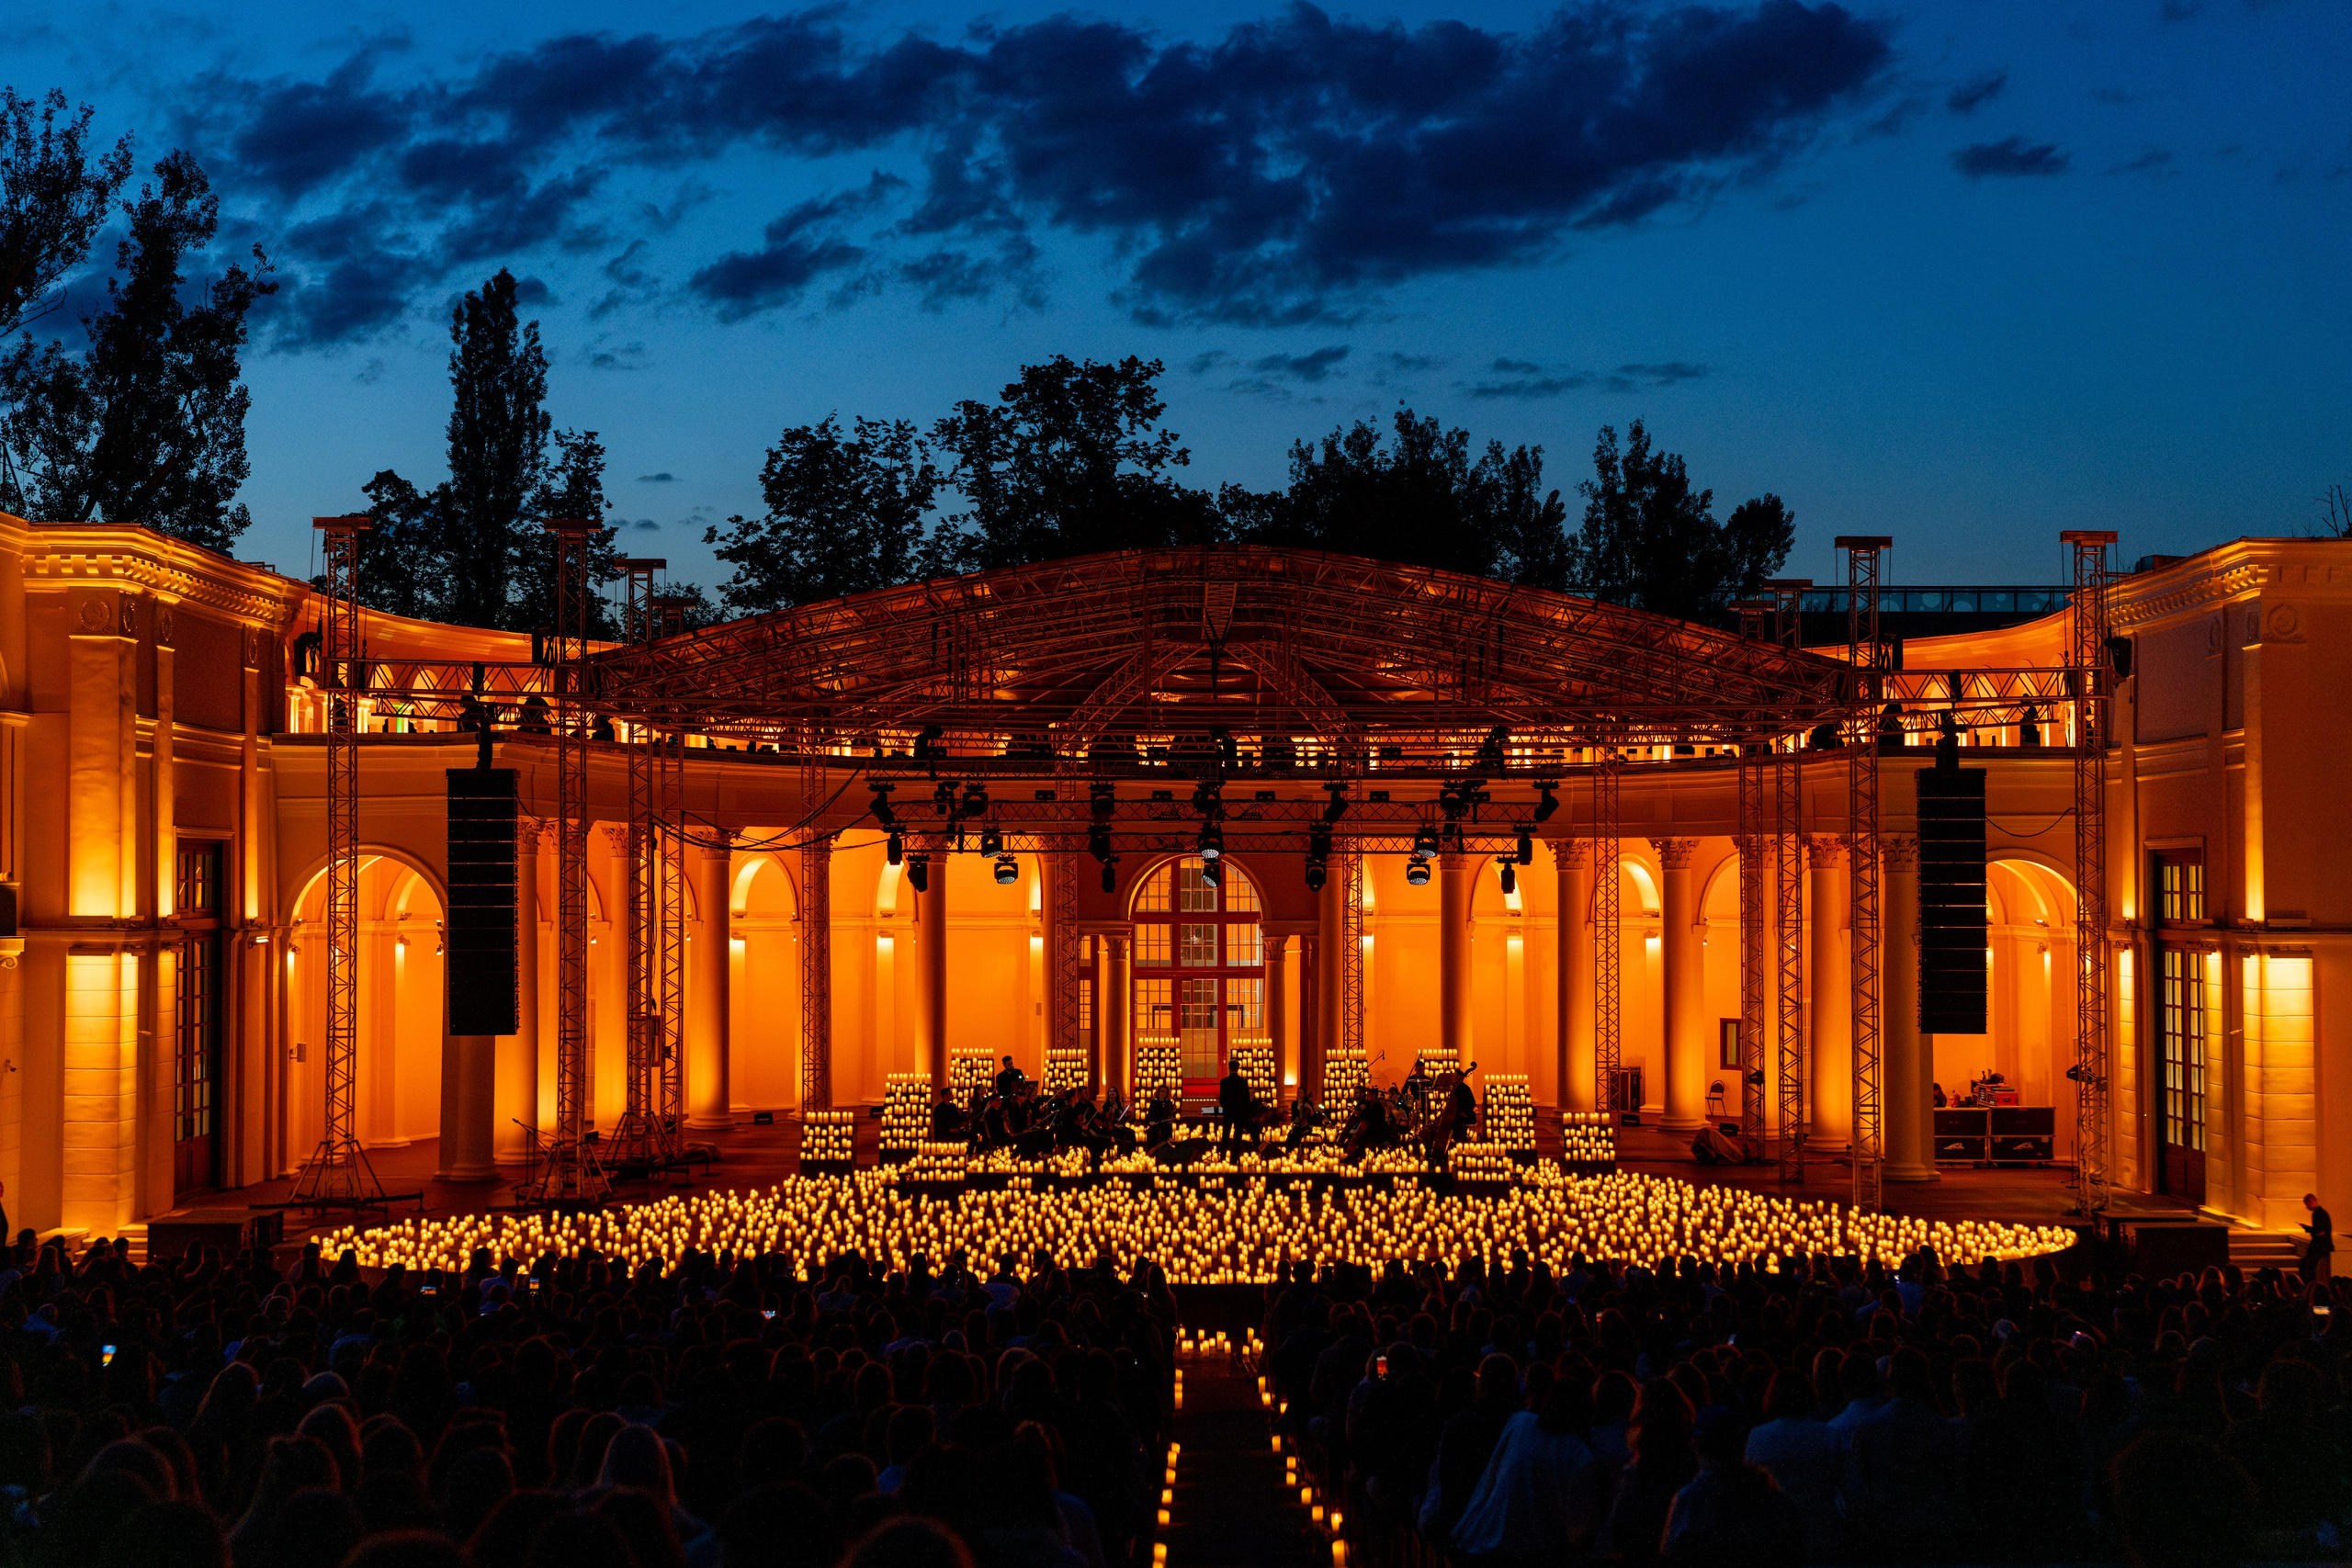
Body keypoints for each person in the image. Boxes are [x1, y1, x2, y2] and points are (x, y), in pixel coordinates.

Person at [1217, 1064, 1257, 1153]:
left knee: (1226, 1134)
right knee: (1237, 1136)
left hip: (1228, 1112)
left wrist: (1226, 1107)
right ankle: (1234, 1158)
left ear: (1229, 1068)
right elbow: (1246, 1099)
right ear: (1238, 1069)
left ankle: (1223, 1156)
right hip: (1239, 1112)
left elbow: (1222, 1098)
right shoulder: (1243, 1081)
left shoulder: (1224, 1081)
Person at [2303, 1191, 2334, 1284]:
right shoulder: (2320, 1213)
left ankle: (2311, 1287)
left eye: (2307, 1204)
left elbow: (2320, 1231)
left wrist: (2308, 1229)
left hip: (2320, 1246)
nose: (2307, 1207)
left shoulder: (2319, 1214)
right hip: (2322, 1246)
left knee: (2312, 1268)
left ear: (2312, 1202)